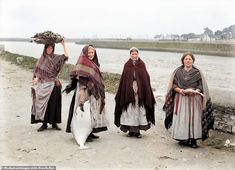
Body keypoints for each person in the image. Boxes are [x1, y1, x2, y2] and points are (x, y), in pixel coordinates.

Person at [163, 52, 214, 148]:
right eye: (186, 59)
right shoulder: (177, 72)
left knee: (194, 119)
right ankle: (183, 138)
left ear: (193, 61)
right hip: (181, 98)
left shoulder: (198, 72)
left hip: (195, 98)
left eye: (190, 59)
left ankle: (193, 140)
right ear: (182, 60)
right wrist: (181, 90)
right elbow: (173, 85)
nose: (188, 61)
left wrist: (196, 91)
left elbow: (201, 85)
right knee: (182, 118)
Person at [64, 45, 108, 141]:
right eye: (89, 53)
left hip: (93, 91)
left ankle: (90, 132)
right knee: (84, 112)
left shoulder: (94, 63)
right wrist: (82, 94)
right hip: (84, 90)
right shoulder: (82, 63)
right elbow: (79, 77)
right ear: (85, 53)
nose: (91, 54)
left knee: (92, 111)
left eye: (93, 53)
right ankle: (84, 133)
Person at [114, 47, 155, 138]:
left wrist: (141, 88)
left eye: (136, 54)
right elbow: (124, 79)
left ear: (138, 54)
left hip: (140, 92)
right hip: (129, 91)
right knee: (129, 110)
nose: (134, 55)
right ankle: (130, 131)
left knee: (139, 110)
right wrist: (129, 87)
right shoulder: (127, 65)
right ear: (130, 55)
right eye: (132, 54)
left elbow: (145, 78)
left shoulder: (142, 64)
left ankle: (138, 131)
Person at [31, 39, 68, 132]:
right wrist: (36, 79)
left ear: (53, 49)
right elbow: (39, 72)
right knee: (44, 104)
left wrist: (64, 44)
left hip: (54, 84)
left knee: (54, 104)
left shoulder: (56, 57)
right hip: (43, 85)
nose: (49, 50)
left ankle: (54, 124)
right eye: (48, 48)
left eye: (51, 48)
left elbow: (66, 56)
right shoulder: (42, 59)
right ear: (45, 48)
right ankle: (44, 124)